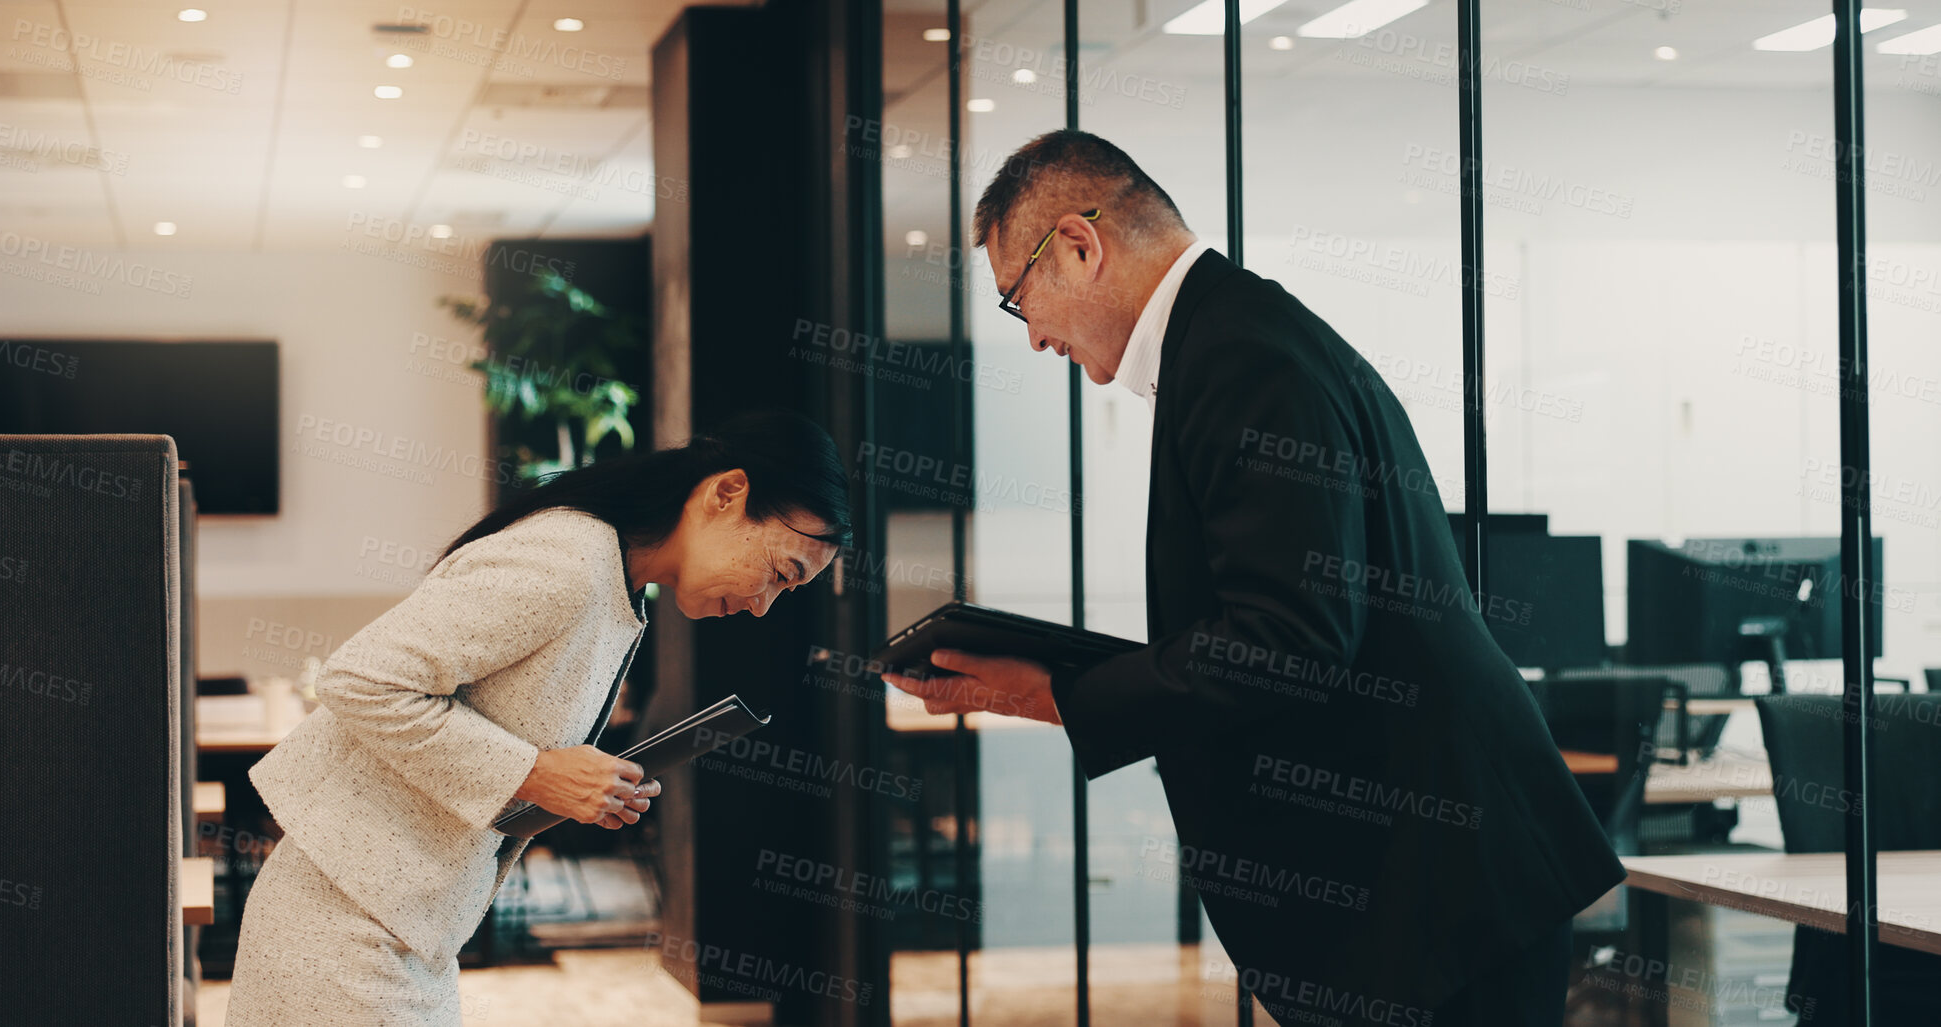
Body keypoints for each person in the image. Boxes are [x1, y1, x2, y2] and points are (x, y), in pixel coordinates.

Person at [884, 130, 1624, 1027]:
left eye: (1018, 299)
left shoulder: (1242, 357)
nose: (1035, 338)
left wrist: (1061, 693)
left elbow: (1291, 639)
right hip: (1424, 877)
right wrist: (1056, 686)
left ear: (1079, 246)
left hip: (1434, 887)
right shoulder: (1233, 336)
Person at [226, 410, 851, 1026]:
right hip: (343, 927)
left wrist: (572, 788)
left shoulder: (614, 583)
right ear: (727, 492)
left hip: (403, 931)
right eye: (778, 572)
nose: (764, 605)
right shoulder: (569, 562)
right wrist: (532, 774)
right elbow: (361, 678)